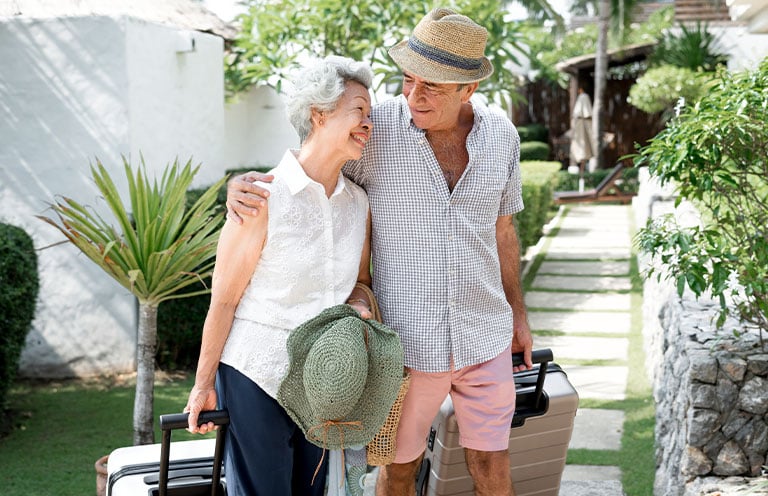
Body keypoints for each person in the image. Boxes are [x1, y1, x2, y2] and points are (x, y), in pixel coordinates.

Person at [226, 8, 534, 496]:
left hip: (485, 334)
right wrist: (242, 185)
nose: (414, 95)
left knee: (492, 466)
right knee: (397, 469)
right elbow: (310, 167)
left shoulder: (503, 138)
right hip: (407, 344)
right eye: (408, 80)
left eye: (431, 86)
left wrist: (518, 313)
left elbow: (503, 231)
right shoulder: (378, 130)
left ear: (467, 89)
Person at [183, 55, 374, 495]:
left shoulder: (358, 204)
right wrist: (202, 384)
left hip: (323, 380)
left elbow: (360, 282)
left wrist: (359, 304)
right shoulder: (260, 198)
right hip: (256, 372)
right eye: (359, 112)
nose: (369, 124)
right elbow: (225, 300)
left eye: (370, 116)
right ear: (320, 114)